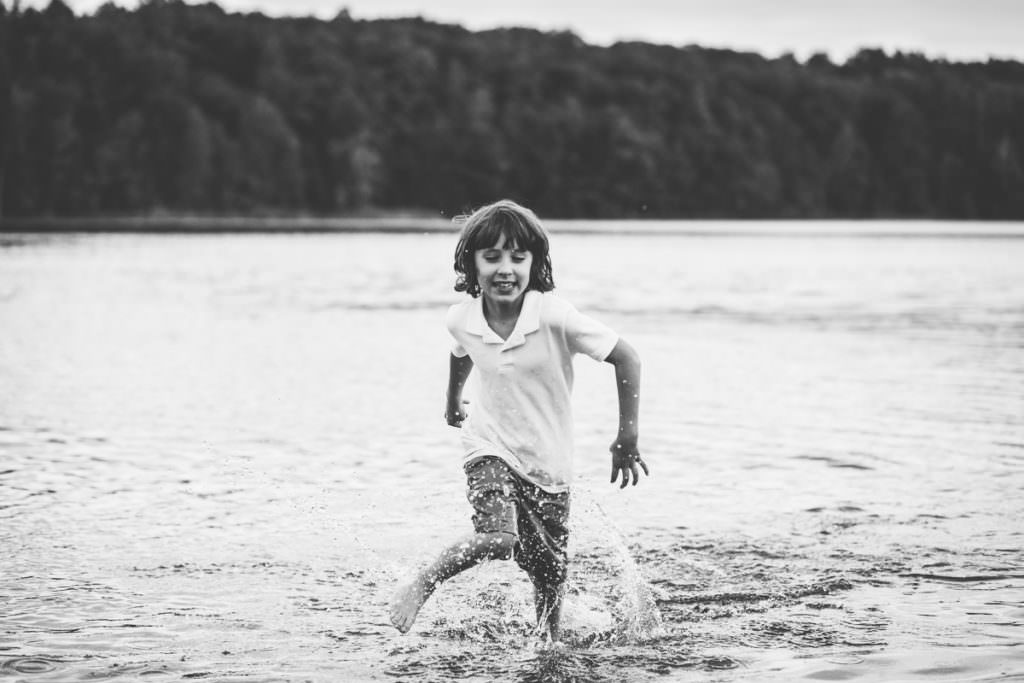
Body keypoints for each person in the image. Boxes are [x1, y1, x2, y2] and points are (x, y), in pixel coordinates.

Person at [389, 199, 647, 641]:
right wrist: (453, 401)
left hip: (549, 463)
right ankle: (424, 581)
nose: (504, 268)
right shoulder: (462, 317)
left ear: (535, 263)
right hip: (487, 446)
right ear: (471, 264)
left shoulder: (553, 316)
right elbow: (462, 349)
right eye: (491, 257)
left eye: (517, 257)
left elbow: (627, 356)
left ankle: (546, 645)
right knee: (499, 539)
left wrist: (627, 435)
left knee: (549, 575)